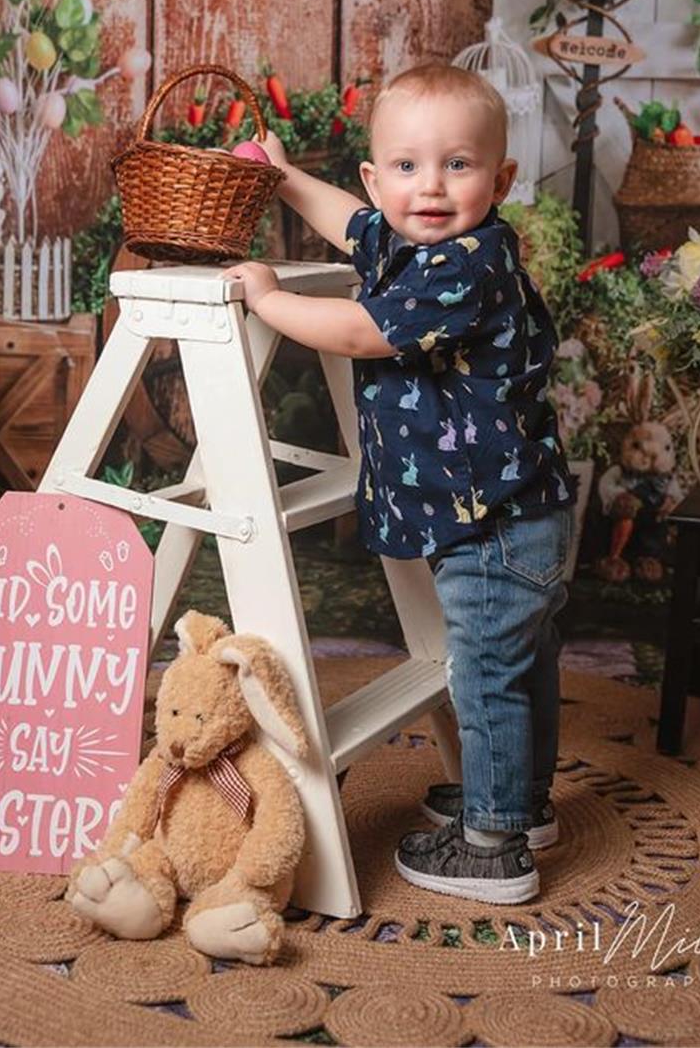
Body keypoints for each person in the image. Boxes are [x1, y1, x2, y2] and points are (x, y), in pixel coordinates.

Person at [225, 62, 573, 905]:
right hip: (516, 512)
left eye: (458, 164)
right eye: (408, 166)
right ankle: (518, 803)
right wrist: (284, 176)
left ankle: (493, 845)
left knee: (487, 677)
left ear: (501, 180)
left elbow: (359, 330)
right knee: (521, 668)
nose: (432, 185)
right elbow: (353, 224)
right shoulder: (414, 241)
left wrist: (267, 300)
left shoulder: (466, 266)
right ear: (377, 178)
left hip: (494, 525)